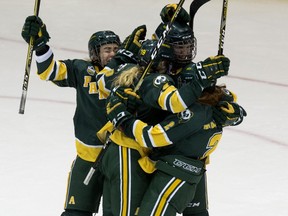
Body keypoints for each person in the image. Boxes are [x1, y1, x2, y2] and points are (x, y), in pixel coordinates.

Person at [21, 15, 121, 216]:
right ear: (95, 53)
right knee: (75, 213)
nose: (112, 54)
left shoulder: (129, 73)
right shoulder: (81, 70)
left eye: (116, 49)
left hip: (119, 157)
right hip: (87, 156)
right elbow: (50, 71)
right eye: (107, 50)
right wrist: (40, 45)